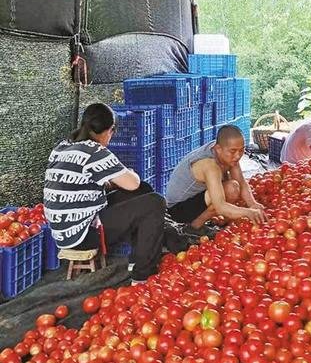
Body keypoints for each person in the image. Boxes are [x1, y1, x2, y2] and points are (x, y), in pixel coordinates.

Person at [44, 103, 166, 284]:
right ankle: (142, 275)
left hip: (62, 232)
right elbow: (133, 183)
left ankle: (136, 259)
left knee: (144, 191)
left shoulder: (62, 147)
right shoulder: (94, 151)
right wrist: (129, 172)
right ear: (110, 130)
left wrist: (112, 183)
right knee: (155, 202)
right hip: (83, 234)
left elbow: (79, 184)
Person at [166, 124, 266, 229]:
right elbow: (220, 206)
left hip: (196, 198)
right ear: (218, 149)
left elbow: (240, 182)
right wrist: (248, 212)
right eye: (233, 151)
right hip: (178, 209)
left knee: (234, 186)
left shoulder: (225, 150)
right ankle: (193, 227)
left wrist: (253, 204)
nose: (238, 155)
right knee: (231, 189)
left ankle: (216, 221)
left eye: (241, 150)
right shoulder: (209, 165)